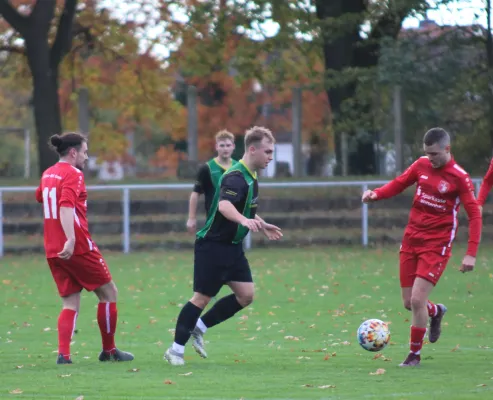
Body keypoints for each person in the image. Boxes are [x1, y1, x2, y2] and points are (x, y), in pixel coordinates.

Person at [361, 127, 481, 367]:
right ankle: (435, 311)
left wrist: (471, 253)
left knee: (417, 300)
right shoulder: (421, 165)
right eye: (427, 153)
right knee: (409, 302)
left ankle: (414, 356)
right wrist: (376, 194)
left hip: (437, 245)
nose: (430, 158)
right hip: (411, 239)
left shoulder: (459, 177)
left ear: (447, 149)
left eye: (435, 154)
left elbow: (475, 215)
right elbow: (399, 183)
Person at [165, 126, 283, 366]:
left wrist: (261, 223)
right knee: (200, 299)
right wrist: (243, 220)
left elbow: (245, 209)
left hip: (233, 248)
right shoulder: (235, 177)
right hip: (213, 246)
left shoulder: (251, 176)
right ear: (252, 149)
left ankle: (199, 326)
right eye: (267, 151)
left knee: (246, 295)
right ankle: (175, 350)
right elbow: (224, 207)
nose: (271, 156)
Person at [35, 132, 134, 365]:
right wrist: (70, 238)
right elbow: (66, 206)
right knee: (109, 293)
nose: (86, 157)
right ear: (73, 152)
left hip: (52, 247)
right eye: (85, 152)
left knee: (70, 302)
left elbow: (41, 197)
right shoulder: (74, 174)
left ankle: (64, 355)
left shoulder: (48, 173)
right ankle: (109, 351)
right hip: (76, 246)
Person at [187, 130, 236, 234]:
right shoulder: (207, 168)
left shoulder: (239, 168)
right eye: (222, 145)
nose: (225, 149)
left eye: (228, 145)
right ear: (216, 147)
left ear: (233, 146)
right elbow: (195, 193)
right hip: (214, 223)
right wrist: (191, 218)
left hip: (235, 222)